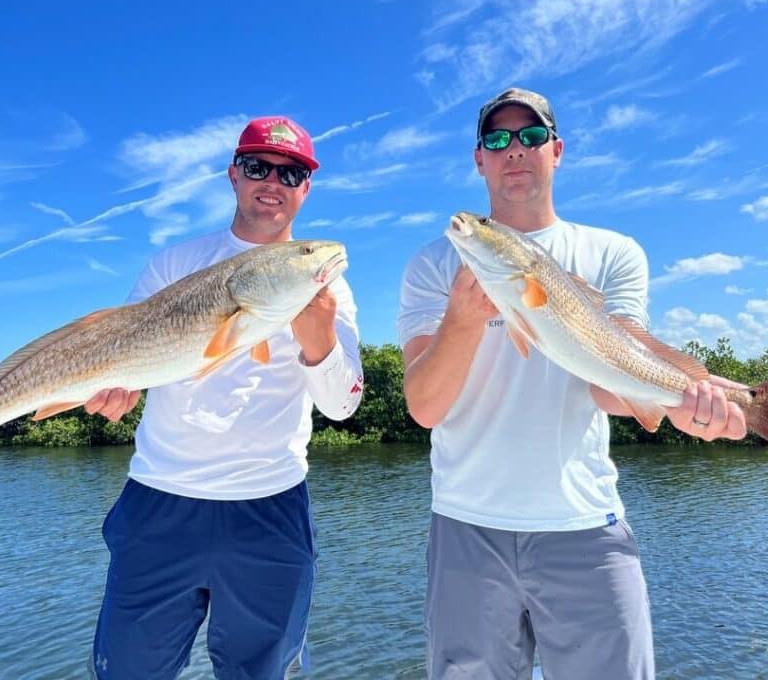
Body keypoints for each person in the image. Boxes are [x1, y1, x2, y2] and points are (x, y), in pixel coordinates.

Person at [398, 87, 747, 680]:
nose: (515, 150)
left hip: (584, 524)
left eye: (531, 137)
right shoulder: (435, 265)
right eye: (497, 139)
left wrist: (688, 404)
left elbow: (614, 385)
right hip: (464, 525)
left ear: (556, 152)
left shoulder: (613, 253)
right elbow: (425, 407)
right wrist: (465, 315)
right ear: (477, 158)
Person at [85, 116, 364, 680]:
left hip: (271, 507)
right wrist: (115, 389)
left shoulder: (328, 289)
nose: (273, 181)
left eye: (291, 173)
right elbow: (128, 358)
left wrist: (320, 341)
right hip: (161, 499)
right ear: (234, 174)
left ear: (306, 188)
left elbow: (343, 406)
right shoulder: (172, 264)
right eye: (259, 166)